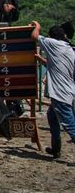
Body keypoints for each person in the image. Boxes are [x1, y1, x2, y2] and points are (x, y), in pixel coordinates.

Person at [31, 21, 75, 159]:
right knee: (52, 117)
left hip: (60, 93)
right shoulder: (68, 48)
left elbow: (34, 35)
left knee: (70, 125)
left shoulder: (53, 44)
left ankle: (56, 148)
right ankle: (56, 149)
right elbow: (57, 66)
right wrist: (41, 60)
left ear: (51, 37)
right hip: (68, 91)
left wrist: (37, 25)